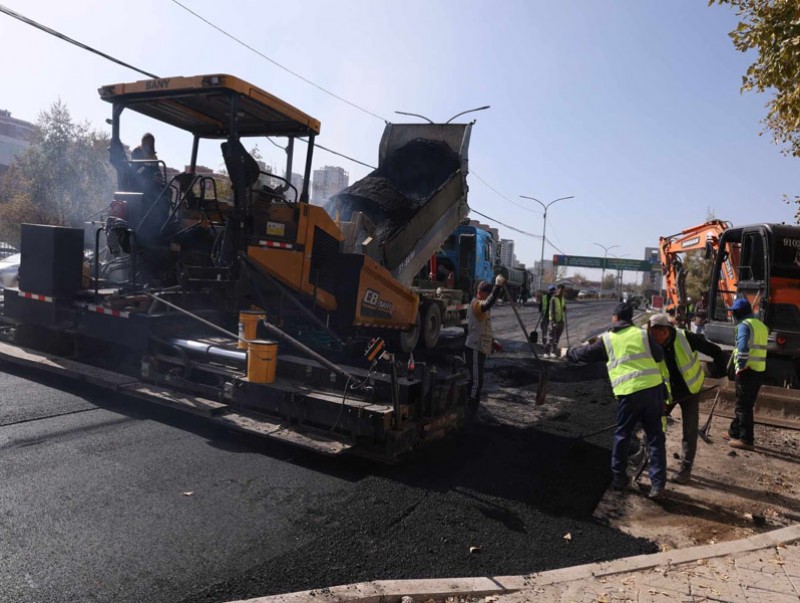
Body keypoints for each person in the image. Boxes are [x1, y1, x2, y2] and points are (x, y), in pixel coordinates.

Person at [565, 302, 668, 500]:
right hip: (653, 391)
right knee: (656, 438)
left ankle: (619, 480)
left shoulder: (608, 339)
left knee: (622, 435)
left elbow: (586, 354)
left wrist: (569, 353)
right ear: (630, 318)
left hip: (629, 394)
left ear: (614, 318)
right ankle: (657, 487)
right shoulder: (643, 334)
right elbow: (659, 355)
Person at [647, 313, 727, 484]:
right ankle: (646, 456)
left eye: (655, 336)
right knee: (653, 422)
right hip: (668, 392)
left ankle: (685, 470)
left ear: (665, 332)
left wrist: (722, 375)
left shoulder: (686, 338)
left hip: (690, 391)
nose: (652, 341)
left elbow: (716, 352)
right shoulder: (652, 343)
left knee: (689, 431)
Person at [726, 298, 768, 450]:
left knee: (743, 406)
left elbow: (743, 347)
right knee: (747, 404)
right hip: (758, 370)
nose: (732, 316)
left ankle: (746, 439)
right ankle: (735, 431)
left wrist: (740, 366)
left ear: (738, 313)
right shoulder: (761, 326)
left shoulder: (744, 325)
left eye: (734, 313)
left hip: (747, 370)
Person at [465, 274, 506, 412]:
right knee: (476, 382)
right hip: (475, 347)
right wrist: (498, 286)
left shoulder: (482, 307)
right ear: (481, 293)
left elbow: (483, 328)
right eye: (487, 294)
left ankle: (471, 408)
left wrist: (492, 342)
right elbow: (488, 303)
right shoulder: (476, 304)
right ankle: (471, 409)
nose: (488, 296)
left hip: (480, 347)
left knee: (476, 381)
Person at [545, 284, 566, 358]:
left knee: (556, 338)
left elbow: (562, 307)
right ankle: (546, 353)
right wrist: (553, 322)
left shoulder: (562, 298)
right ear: (557, 290)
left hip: (560, 321)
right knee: (550, 338)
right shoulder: (553, 298)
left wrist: (564, 308)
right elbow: (552, 311)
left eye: (562, 290)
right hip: (553, 321)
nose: (561, 291)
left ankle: (553, 352)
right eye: (560, 290)